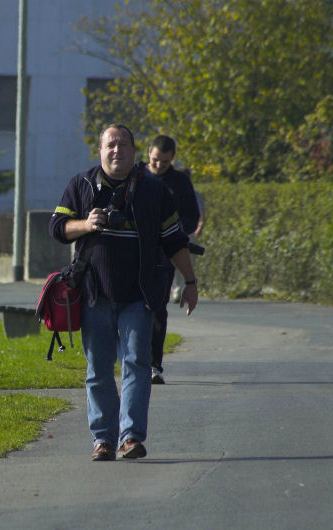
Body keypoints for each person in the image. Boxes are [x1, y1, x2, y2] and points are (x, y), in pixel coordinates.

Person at [49, 124, 198, 461]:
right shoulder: (82, 184)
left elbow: (175, 240)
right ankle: (103, 439)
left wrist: (190, 283)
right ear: (100, 151)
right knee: (98, 370)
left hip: (140, 296)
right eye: (110, 145)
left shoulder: (154, 190)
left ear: (135, 151)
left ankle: (130, 437)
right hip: (94, 295)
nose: (117, 151)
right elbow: (57, 228)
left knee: (136, 363)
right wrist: (86, 224)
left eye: (123, 145)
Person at [143, 135, 201, 385]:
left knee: (157, 309)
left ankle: (154, 365)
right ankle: (132, 359)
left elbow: (191, 217)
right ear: (148, 154)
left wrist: (173, 229)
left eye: (164, 163)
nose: (158, 167)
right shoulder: (135, 176)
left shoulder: (180, 182)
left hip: (164, 255)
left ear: (172, 160)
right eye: (155, 161)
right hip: (134, 254)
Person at [171, 187, 205, 303]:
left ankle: (183, 286)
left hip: (189, 232)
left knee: (189, 261)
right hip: (173, 232)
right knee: (174, 260)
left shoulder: (195, 194)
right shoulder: (170, 192)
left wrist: (199, 227)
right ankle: (176, 288)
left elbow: (200, 213)